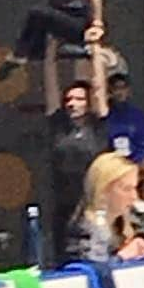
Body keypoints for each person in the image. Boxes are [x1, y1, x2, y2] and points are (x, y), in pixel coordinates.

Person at [48, 72, 109, 260]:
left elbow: (99, 88)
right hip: (65, 202)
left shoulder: (97, 125)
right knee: (64, 252)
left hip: (92, 199)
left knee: (94, 248)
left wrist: (95, 49)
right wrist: (51, 51)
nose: (72, 103)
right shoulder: (58, 124)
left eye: (79, 99)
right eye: (68, 99)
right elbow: (51, 87)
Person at [62, 152, 144, 263]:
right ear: (103, 191)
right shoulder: (85, 231)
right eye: (126, 189)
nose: (134, 197)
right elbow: (92, 270)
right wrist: (122, 257)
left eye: (135, 188)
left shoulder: (127, 223)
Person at [106, 73, 144, 163]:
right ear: (110, 92)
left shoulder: (138, 117)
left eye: (123, 88)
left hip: (134, 164)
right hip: (110, 166)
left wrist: (135, 162)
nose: (120, 92)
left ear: (128, 90)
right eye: (116, 88)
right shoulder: (106, 115)